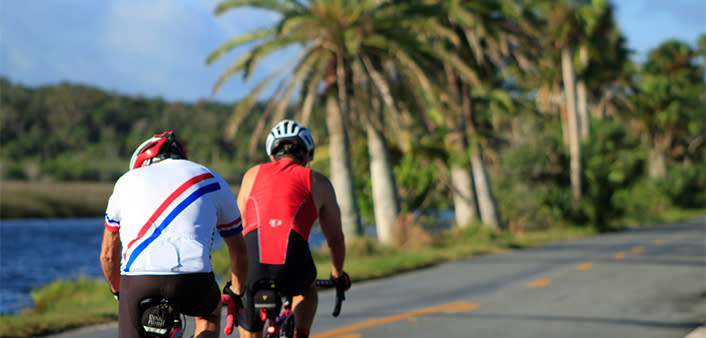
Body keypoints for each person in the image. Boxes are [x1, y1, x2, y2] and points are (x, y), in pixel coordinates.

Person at [100, 131, 248, 338]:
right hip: (193, 278)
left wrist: (119, 292)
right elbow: (239, 252)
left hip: (138, 282)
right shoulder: (210, 178)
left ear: (143, 162)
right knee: (209, 317)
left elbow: (108, 254)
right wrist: (236, 291)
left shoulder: (126, 182)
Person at [236, 120, 351, 338]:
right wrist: (337, 273)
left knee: (249, 304)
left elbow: (237, 225)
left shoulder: (251, 175)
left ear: (272, 155)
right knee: (308, 288)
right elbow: (335, 239)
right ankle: (300, 333)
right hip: (292, 261)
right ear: (307, 155)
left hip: (253, 260)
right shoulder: (318, 181)